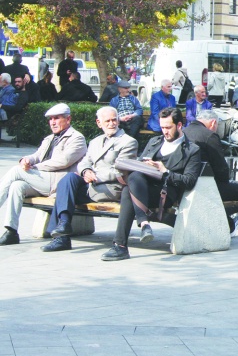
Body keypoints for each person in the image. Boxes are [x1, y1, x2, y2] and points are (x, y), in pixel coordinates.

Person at [101, 108, 202, 261]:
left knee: (129, 190)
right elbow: (139, 167)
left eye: (168, 127)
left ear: (179, 125)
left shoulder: (192, 149)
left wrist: (165, 171)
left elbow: (189, 181)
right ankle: (143, 225)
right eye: (162, 127)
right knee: (133, 179)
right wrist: (145, 165)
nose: (165, 131)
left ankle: (121, 245)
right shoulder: (154, 142)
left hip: (166, 192)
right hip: (143, 188)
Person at [41, 106, 138, 252]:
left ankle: (61, 236)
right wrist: (86, 171)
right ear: (99, 123)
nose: (112, 124)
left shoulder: (128, 142)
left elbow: (121, 170)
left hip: (109, 187)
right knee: (67, 180)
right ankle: (63, 229)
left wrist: (96, 176)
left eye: (114, 120)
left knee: (65, 193)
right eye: (107, 121)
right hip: (91, 185)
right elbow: (84, 162)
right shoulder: (95, 141)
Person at [0, 103, 88, 245]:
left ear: (68, 119)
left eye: (57, 118)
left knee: (16, 171)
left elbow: (63, 161)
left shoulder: (77, 138)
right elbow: (37, 155)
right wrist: (27, 160)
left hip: (58, 182)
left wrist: (35, 167)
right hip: (42, 180)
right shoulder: (49, 138)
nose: (52, 122)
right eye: (50, 119)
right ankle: (11, 230)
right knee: (17, 185)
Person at [182, 110, 238, 239]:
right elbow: (220, 166)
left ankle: (230, 225)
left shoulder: (183, 132)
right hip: (205, 186)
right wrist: (225, 181)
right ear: (213, 123)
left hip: (185, 184)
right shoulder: (209, 135)